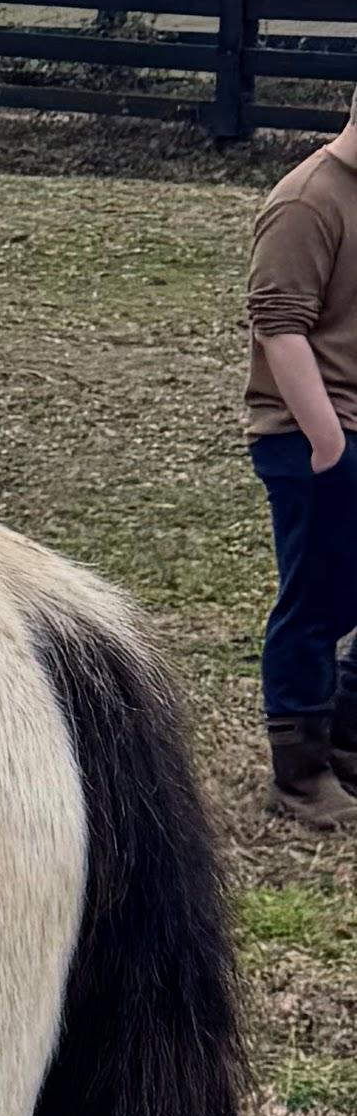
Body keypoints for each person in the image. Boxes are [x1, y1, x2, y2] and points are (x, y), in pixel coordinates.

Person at [248, 84, 357, 825]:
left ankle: (347, 742)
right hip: (312, 439)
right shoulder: (306, 201)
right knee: (316, 603)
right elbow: (278, 327)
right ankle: (299, 774)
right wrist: (327, 443)